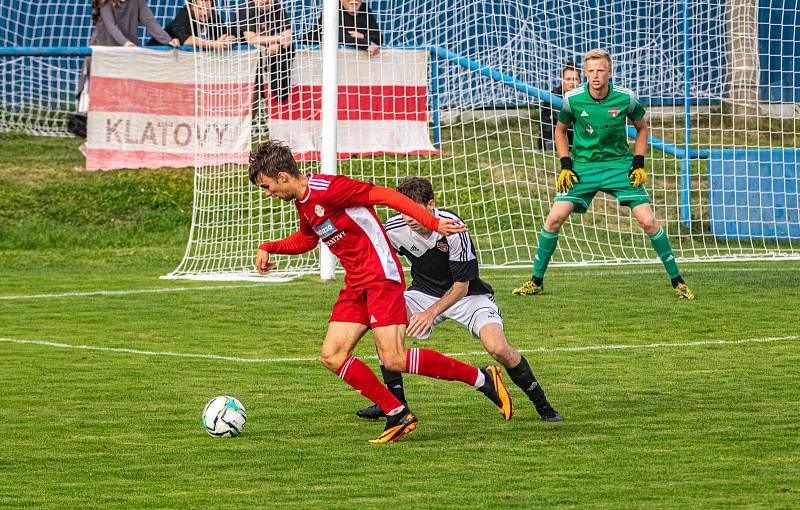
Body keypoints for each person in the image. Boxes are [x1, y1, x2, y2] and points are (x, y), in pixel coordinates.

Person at [250, 141, 513, 444]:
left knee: (394, 359)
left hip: (381, 279)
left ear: (282, 177)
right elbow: (308, 239)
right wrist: (270, 247)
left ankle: (483, 379)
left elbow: (386, 195)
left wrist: (432, 223)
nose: (268, 193)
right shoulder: (304, 202)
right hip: (356, 284)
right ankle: (398, 414)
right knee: (332, 355)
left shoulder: (331, 189)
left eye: (267, 186)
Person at [354, 177, 563, 423]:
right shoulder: (394, 228)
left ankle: (543, 404)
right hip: (422, 293)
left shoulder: (453, 229)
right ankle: (395, 403)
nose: (409, 218)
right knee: (383, 320)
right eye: (403, 211)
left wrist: (430, 313)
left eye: (415, 211)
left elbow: (461, 287)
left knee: (499, 349)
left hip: (468, 296)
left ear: (431, 204)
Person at [513, 49, 695, 300]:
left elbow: (642, 129)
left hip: (619, 166)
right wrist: (566, 164)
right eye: (590, 71)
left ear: (609, 71)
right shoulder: (573, 99)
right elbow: (559, 131)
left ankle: (678, 281)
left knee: (648, 222)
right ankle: (536, 281)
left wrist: (638, 163)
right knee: (553, 219)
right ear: (584, 73)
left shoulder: (626, 98)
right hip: (583, 168)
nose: (595, 76)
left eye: (600, 70)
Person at [72, 0, 179, 138]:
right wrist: (125, 42)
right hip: (101, 55)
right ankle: (90, 137)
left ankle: (114, 135)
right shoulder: (106, 3)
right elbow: (111, 26)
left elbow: (150, 22)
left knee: (119, 96)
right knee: (93, 97)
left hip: (123, 56)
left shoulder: (137, 2)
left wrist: (167, 40)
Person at [234, 0, 294, 103]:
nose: (264, 1)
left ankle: (280, 91)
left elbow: (288, 37)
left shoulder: (277, 8)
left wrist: (277, 43)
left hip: (265, 52)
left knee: (289, 48)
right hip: (242, 57)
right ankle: (264, 101)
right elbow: (251, 39)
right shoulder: (246, 10)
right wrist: (276, 39)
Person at [300, 0, 381, 56]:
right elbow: (336, 37)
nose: (354, 1)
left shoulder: (365, 9)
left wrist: (363, 36)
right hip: (308, 50)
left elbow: (379, 37)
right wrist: (366, 43)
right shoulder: (332, 8)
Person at [149, 0, 236, 50]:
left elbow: (227, 33)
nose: (204, 13)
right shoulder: (185, 14)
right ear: (191, 7)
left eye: (207, 9)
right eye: (200, 9)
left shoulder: (211, 15)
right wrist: (214, 44)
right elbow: (186, 40)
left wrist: (228, 39)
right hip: (156, 50)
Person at [538, 62, 580, 151]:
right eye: (568, 79)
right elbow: (545, 124)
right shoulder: (552, 97)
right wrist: (548, 144)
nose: (572, 82)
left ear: (579, 81)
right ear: (562, 80)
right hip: (556, 138)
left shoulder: (585, 97)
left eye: (575, 79)